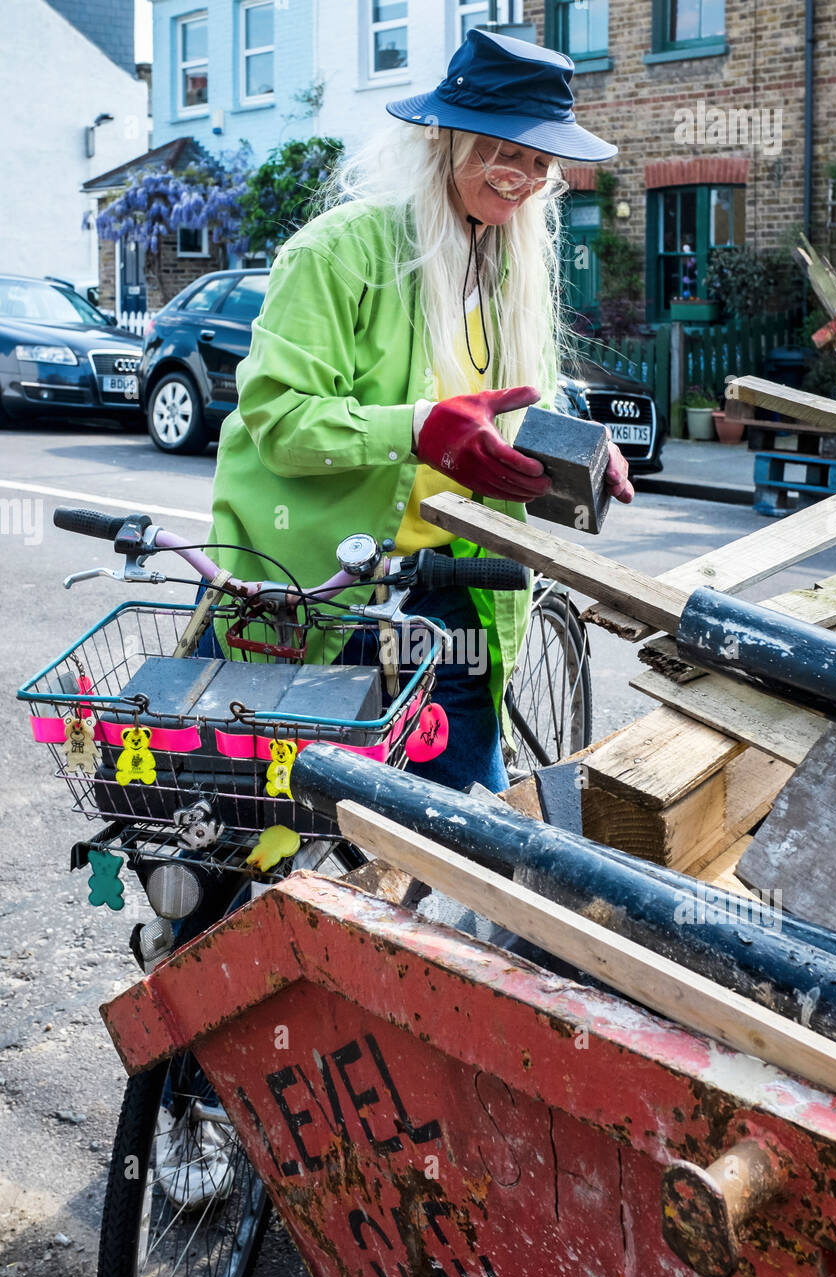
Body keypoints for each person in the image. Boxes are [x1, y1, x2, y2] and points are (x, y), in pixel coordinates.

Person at [208, 28, 634, 793]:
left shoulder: (509, 267)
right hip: (320, 594)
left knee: (472, 827)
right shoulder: (337, 253)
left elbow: (521, 393)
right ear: (446, 139)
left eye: (542, 162)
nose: (526, 179)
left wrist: (585, 449)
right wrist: (415, 429)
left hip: (451, 586)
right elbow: (278, 419)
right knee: (270, 823)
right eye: (508, 152)